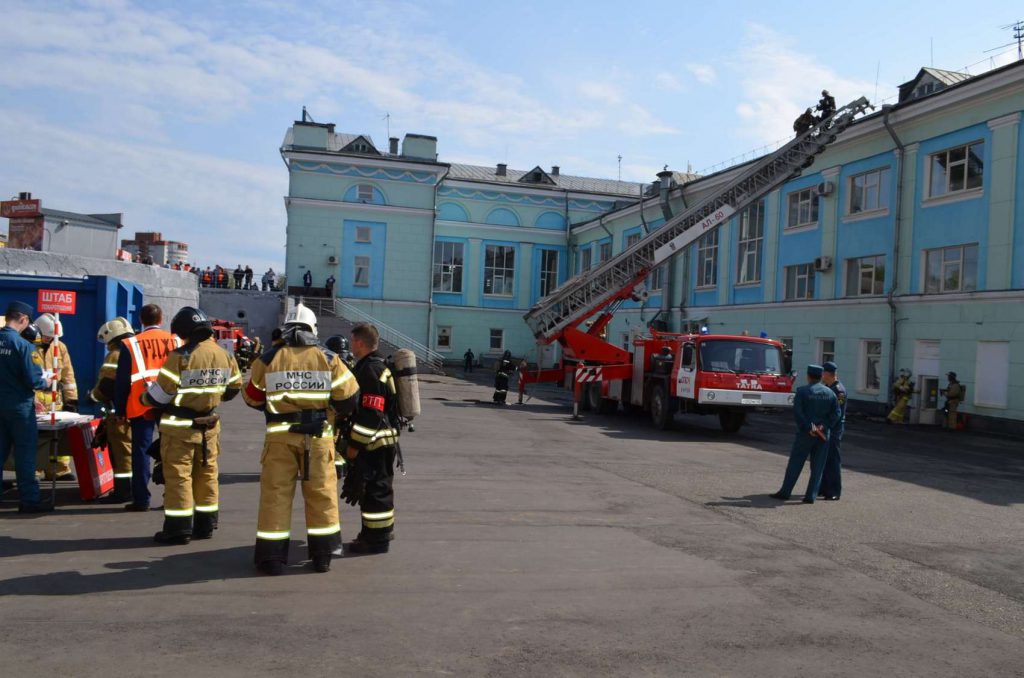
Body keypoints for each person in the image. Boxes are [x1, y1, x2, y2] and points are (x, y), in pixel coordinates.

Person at [243, 304, 359, 575]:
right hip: (318, 439)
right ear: (313, 328)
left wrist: (277, 406)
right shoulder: (329, 358)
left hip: (279, 439)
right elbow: (349, 397)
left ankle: (271, 559)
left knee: (275, 496)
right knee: (322, 495)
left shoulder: (268, 359)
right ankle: (323, 556)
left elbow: (251, 397)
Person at [141, 307, 241, 544]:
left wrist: (144, 398)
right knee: (207, 475)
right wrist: (211, 397)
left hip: (180, 430)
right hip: (209, 427)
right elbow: (234, 388)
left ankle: (178, 529)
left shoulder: (180, 356)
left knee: (179, 477)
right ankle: (205, 526)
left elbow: (159, 396)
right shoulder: (224, 354)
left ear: (185, 330)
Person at [115, 304, 182, 512]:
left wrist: (119, 410)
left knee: (141, 452)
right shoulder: (176, 341)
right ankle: (171, 497)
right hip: (170, 402)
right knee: (171, 451)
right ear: (161, 319)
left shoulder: (130, 343)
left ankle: (141, 499)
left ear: (141, 321)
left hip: (140, 403)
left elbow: (121, 381)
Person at [341, 323, 400, 555]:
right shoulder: (376, 366)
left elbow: (371, 413)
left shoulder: (370, 370)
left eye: (352, 340)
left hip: (375, 443)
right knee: (373, 491)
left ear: (359, 342)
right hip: (382, 441)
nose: (351, 344)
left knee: (376, 493)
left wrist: (355, 445)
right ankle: (373, 535)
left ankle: (376, 540)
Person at [0, 302, 53, 513]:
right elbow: (34, 380)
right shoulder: (23, 346)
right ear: (23, 319)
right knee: (25, 454)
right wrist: (46, 382)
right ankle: (29, 500)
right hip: (19, 408)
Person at [770, 364, 840, 504]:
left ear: (808, 376)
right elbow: (836, 414)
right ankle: (811, 496)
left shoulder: (802, 391)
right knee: (818, 466)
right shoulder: (830, 393)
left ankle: (785, 492)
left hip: (805, 434)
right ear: (821, 376)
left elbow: (798, 413)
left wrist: (809, 427)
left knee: (795, 462)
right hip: (823, 434)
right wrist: (822, 427)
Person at [91, 317, 135, 503]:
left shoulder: (115, 354)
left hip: (119, 413)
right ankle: (133, 489)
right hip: (135, 410)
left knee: (121, 454)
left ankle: (123, 492)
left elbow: (107, 385)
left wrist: (92, 396)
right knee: (132, 452)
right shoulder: (136, 350)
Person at [33, 313, 78, 480]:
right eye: (46, 337)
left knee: (58, 436)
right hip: (37, 399)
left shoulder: (60, 347)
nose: (49, 340)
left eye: (52, 337)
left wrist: (71, 399)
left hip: (55, 400)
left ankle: (59, 470)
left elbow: (68, 375)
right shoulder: (28, 347)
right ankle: (34, 470)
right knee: (36, 438)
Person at [818, 361, 846, 501]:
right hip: (827, 427)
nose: (821, 375)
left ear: (827, 374)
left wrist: (825, 426)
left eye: (823, 372)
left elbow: (837, 413)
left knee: (833, 459)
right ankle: (823, 488)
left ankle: (834, 490)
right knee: (824, 459)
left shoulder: (838, 390)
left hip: (834, 429)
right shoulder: (828, 387)